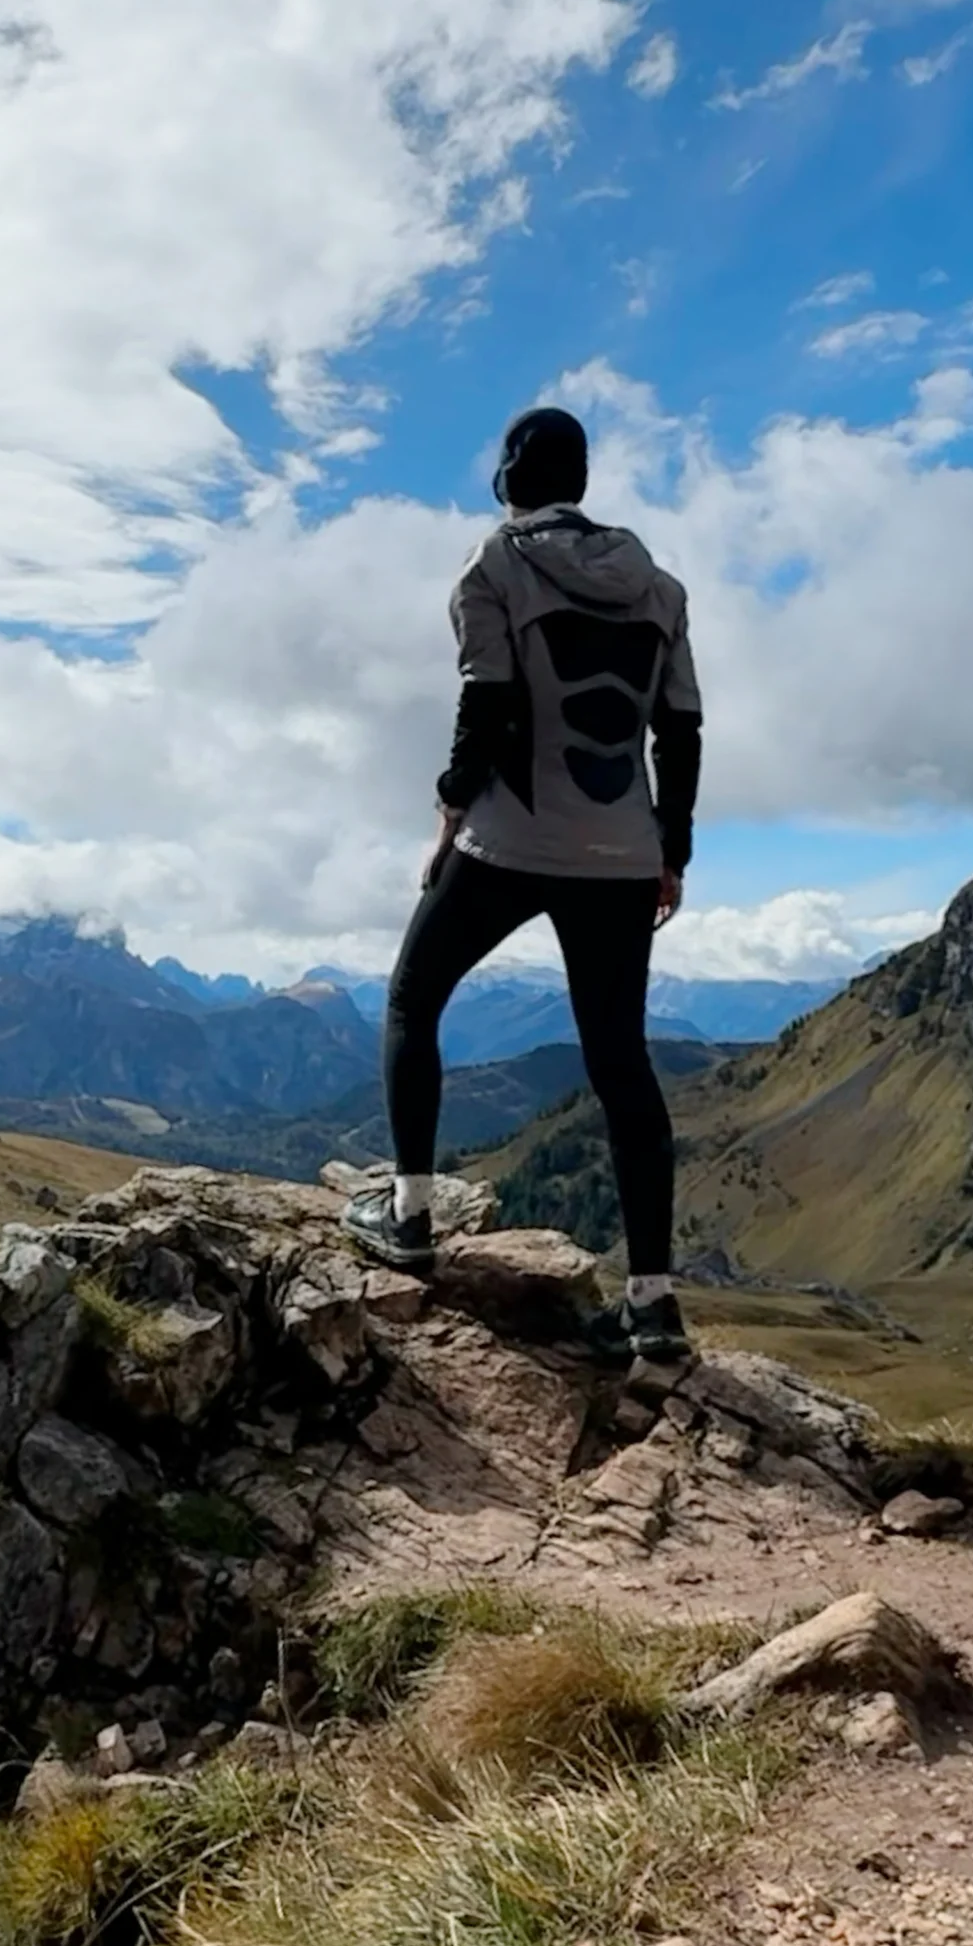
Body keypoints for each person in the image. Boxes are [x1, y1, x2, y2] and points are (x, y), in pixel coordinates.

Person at [341, 404, 704, 1363]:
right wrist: (673, 850)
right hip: (624, 852)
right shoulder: (661, 589)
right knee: (622, 1065)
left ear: (509, 474)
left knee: (415, 999)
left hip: (510, 839)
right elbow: (680, 730)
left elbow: (489, 703)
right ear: (580, 481)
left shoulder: (491, 566)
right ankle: (654, 1308)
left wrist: (450, 808)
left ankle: (410, 1217)